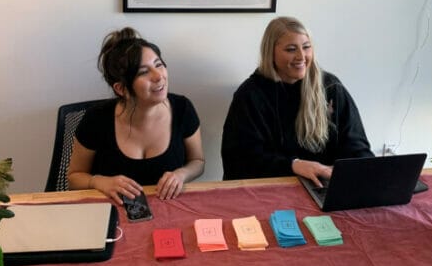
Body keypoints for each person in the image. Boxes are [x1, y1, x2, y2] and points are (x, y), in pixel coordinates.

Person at [221, 17, 373, 185]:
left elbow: (356, 145)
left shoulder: (331, 88)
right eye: (291, 49)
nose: (301, 56)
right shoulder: (250, 95)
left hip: (325, 185)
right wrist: (294, 165)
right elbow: (241, 160)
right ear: (270, 52)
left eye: (306, 47)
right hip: (273, 188)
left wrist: (360, 174)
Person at [67, 28, 204, 203]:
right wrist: (100, 182)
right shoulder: (96, 119)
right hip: (111, 211)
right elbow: (74, 177)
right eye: (143, 72)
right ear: (121, 88)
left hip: (168, 209)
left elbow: (198, 161)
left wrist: (181, 174)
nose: (158, 76)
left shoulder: (182, 108)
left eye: (158, 64)